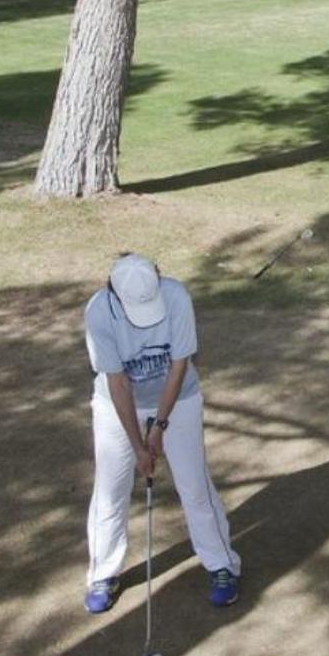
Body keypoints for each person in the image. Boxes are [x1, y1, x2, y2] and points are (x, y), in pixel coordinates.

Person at [81, 253, 241, 613]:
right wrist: (139, 445)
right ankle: (103, 574)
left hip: (179, 397)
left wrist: (159, 427)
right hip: (117, 404)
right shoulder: (98, 312)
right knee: (110, 489)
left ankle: (222, 564)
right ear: (115, 293)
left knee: (194, 485)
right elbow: (118, 383)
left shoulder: (176, 296)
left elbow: (179, 365)